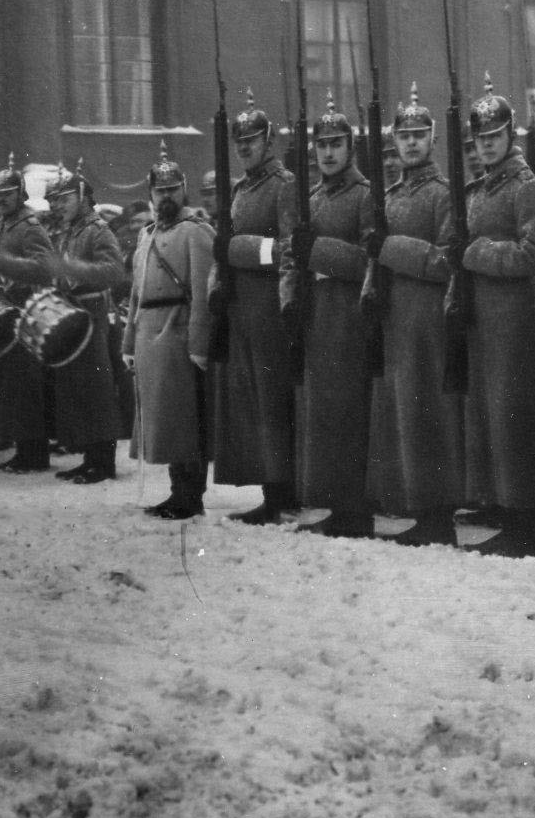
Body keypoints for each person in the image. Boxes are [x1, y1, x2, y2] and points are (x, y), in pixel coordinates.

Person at [456, 76, 535, 557]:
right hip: (485, 323)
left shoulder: (529, 190)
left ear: (511, 137)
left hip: (518, 324)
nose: (487, 146)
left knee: (517, 420)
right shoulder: (478, 191)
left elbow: (533, 255)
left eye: (494, 137)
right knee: (492, 419)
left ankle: (526, 525)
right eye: (480, 139)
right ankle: (507, 514)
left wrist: (476, 254)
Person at [367, 85, 463, 548]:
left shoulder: (443, 194)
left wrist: (390, 249)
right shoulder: (390, 195)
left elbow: (447, 259)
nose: (410, 144)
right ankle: (418, 507)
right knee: (405, 413)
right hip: (397, 316)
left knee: (430, 414)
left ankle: (438, 515)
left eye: (418, 135)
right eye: (403, 136)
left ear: (432, 139)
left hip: (429, 317)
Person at [281, 93, 379, 539]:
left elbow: (369, 259)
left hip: (350, 312)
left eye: (336, 143)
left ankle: (355, 509)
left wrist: (317, 250)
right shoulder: (312, 197)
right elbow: (291, 254)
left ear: (350, 148)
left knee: (347, 411)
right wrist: (290, 298)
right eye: (321, 145)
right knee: (321, 413)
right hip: (317, 312)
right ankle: (335, 503)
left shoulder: (364, 195)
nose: (328, 152)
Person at [211, 89, 300, 524]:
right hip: (242, 309)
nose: (245, 148)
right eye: (239, 142)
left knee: (273, 402)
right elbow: (220, 248)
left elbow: (288, 249)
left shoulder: (283, 186)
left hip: (269, 308)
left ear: (269, 142)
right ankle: (270, 488)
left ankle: (283, 493)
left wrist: (241, 250)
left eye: (252, 140)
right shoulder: (240, 190)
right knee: (252, 403)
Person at [123, 144, 215, 519]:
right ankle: (177, 490)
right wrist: (128, 340)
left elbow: (203, 292)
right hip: (148, 337)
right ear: (150, 195)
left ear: (184, 190)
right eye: (159, 191)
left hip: (178, 334)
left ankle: (191, 496)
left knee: (184, 422)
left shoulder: (195, 233)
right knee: (163, 422)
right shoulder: (146, 236)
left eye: (172, 189)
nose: (166, 197)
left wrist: (198, 344)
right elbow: (136, 293)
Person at [45, 164, 125, 483]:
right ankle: (90, 457)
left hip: (93, 312)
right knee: (81, 387)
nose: (58, 206)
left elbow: (114, 271)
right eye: (56, 200)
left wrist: (72, 269)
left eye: (64, 199)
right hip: (75, 312)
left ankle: (104, 463)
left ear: (82, 198)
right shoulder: (72, 230)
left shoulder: (97, 230)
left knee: (98, 389)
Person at [0, 156, 58, 473]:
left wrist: (12, 275)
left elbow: (45, 268)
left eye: (8, 194)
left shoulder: (29, 227)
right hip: (7, 314)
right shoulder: (3, 228)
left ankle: (35, 455)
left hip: (26, 313)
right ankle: (24, 449)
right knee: (12, 385)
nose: (2, 200)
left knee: (28, 386)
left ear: (21, 195)